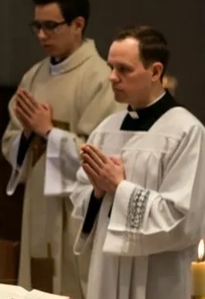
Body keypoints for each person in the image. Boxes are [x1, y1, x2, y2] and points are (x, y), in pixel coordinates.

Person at [72, 25, 205, 299]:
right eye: (111, 67)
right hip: (107, 272)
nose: (112, 77)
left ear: (155, 72)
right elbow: (79, 200)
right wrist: (96, 193)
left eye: (124, 69)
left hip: (161, 277)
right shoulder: (105, 130)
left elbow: (183, 220)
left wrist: (119, 188)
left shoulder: (187, 132)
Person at [1, 0, 123, 296]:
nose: (42, 35)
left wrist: (49, 132)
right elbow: (10, 142)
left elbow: (103, 156)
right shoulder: (33, 77)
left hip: (76, 211)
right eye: (37, 26)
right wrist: (28, 134)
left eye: (50, 26)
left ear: (78, 24)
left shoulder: (100, 78)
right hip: (38, 207)